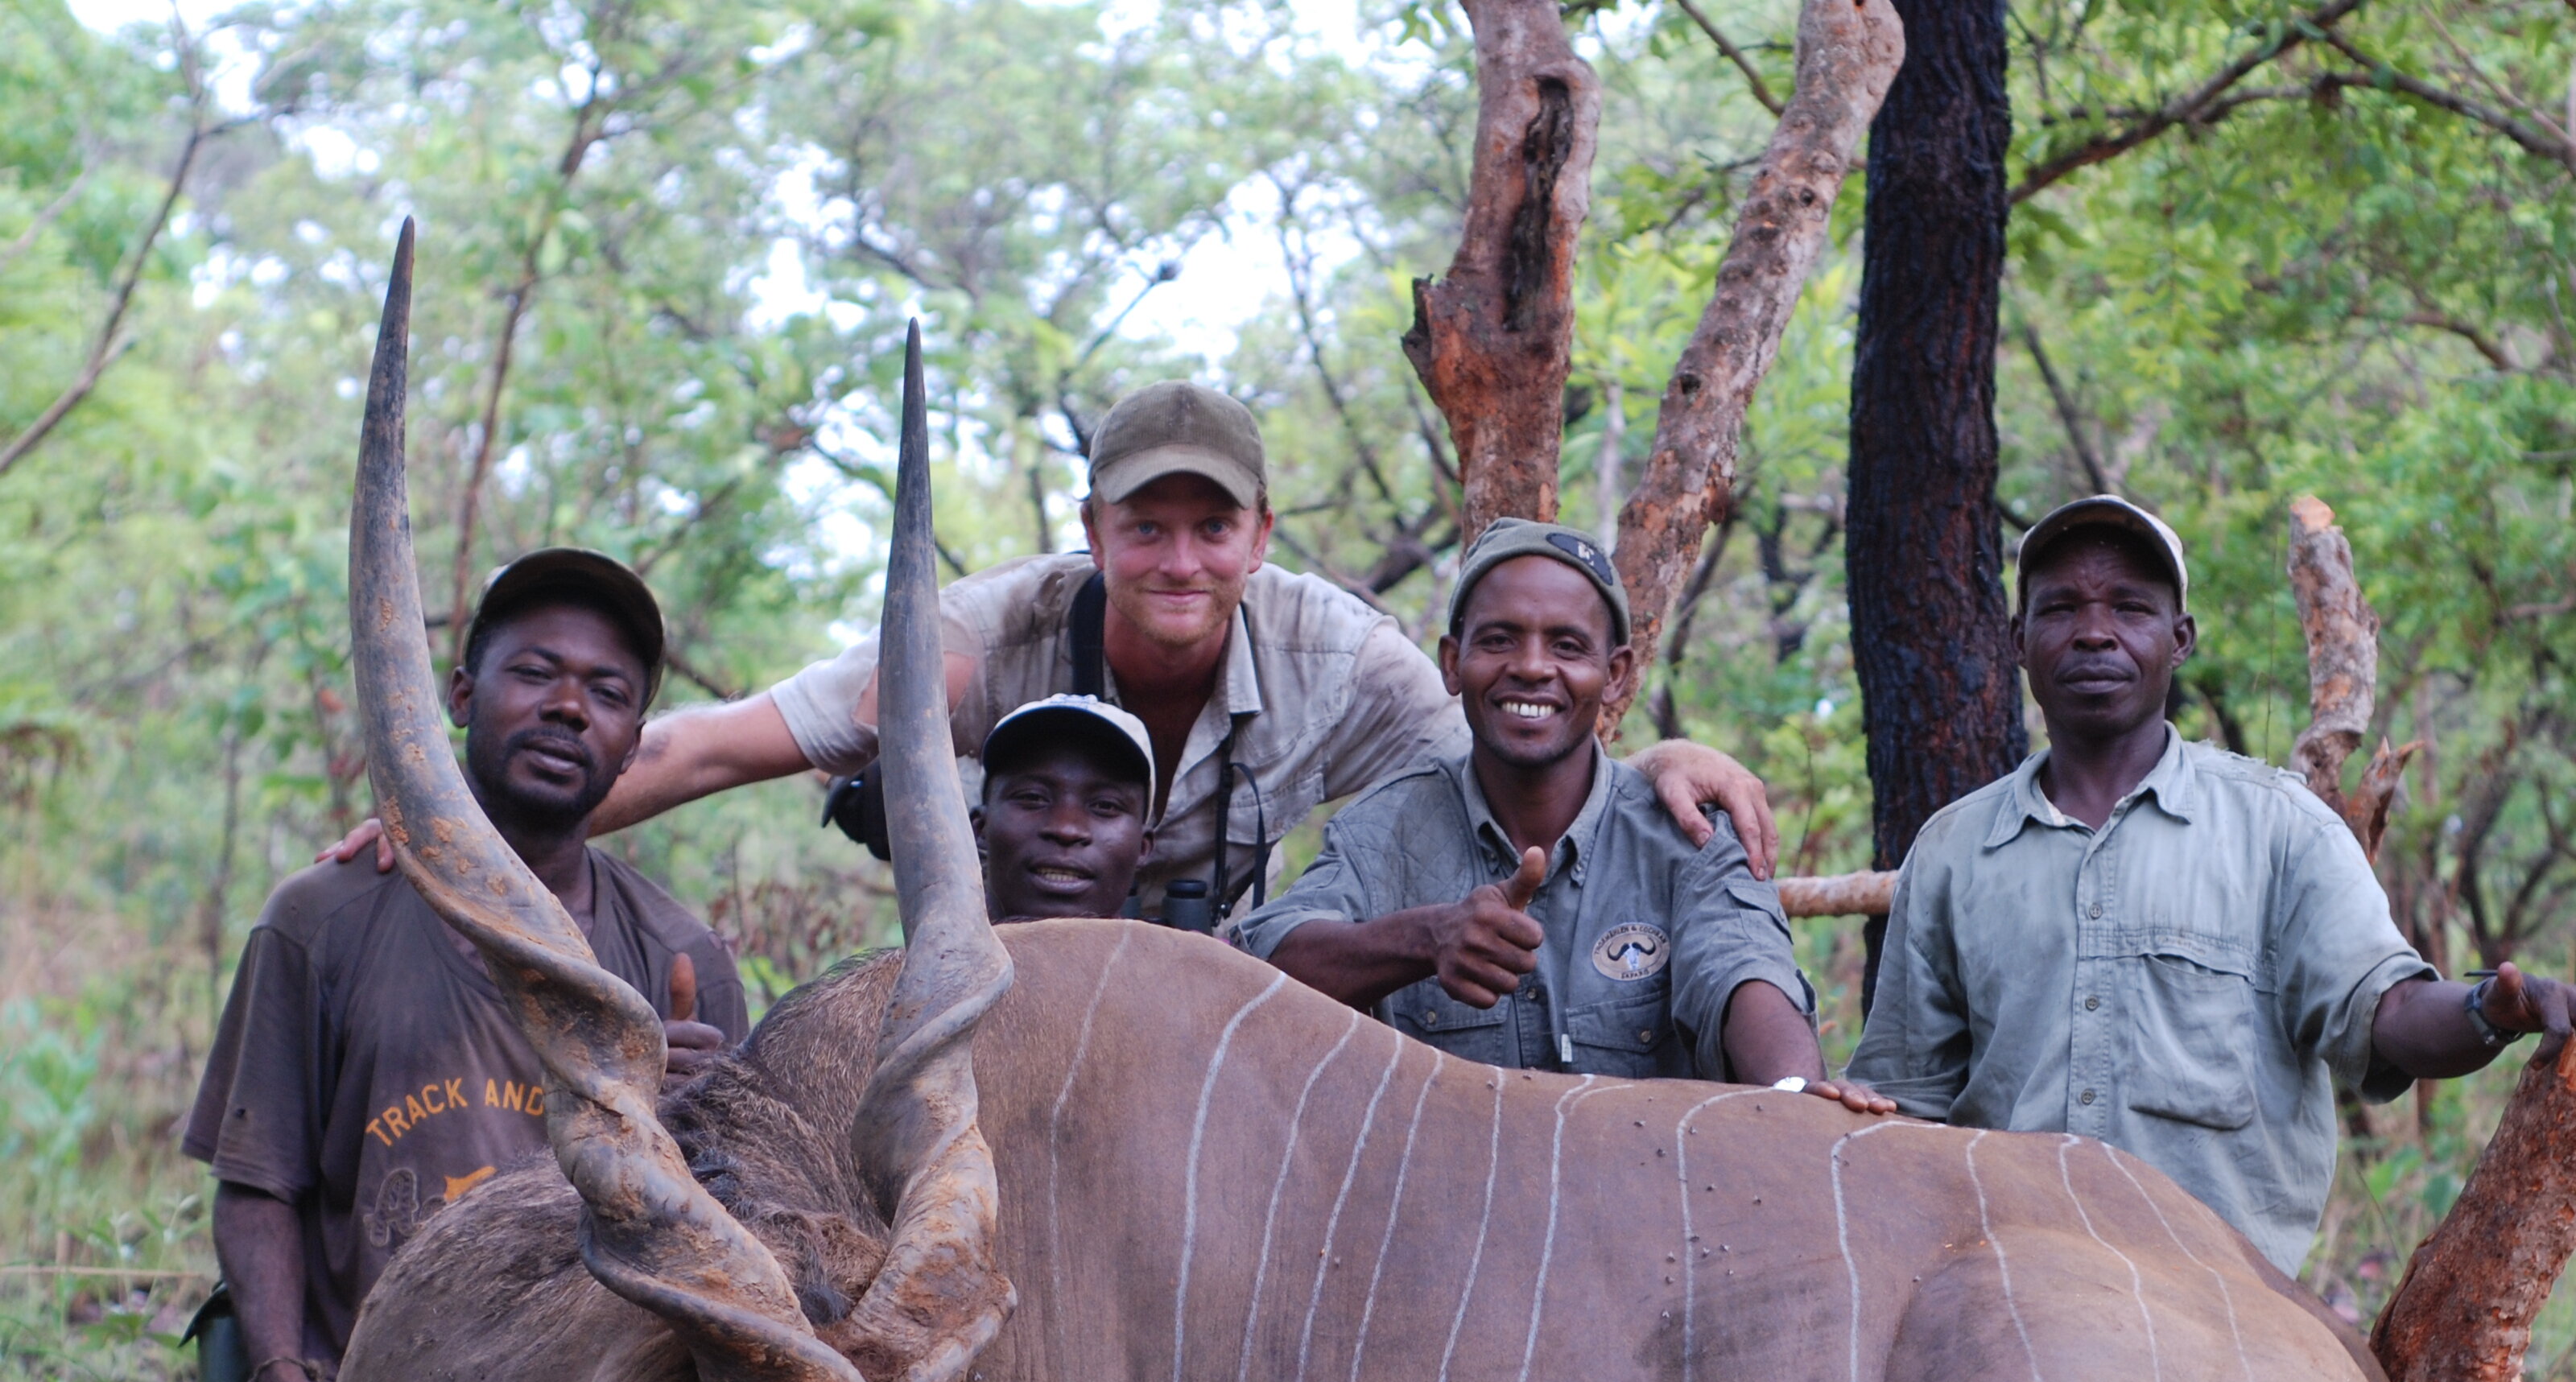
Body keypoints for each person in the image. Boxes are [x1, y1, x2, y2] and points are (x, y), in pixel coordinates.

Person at [327, 382, 1784, 915]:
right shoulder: (977, 641)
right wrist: (445, 827)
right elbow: (705, 745)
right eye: (1145, 527)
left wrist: (1656, 753)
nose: (1178, 561)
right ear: (1091, 531)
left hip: (1215, 997)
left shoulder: (1340, 657)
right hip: (992, 978)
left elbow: (1518, 748)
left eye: (1210, 530)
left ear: (1260, 537)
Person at [183, 549, 746, 1382]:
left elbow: (733, 1250)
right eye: (534, 672)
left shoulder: (677, 954)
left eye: (604, 690)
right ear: (458, 689)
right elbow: (256, 1187)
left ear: (634, 734)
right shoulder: (322, 919)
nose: (566, 706)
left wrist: (701, 1122)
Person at [1847, 496, 2576, 1275]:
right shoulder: (1953, 851)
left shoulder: (2280, 829)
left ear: (2180, 638)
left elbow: (2389, 1012)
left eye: (2129, 607)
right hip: (2012, 1292)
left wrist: (2493, 1007)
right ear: (2018, 640)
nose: (2093, 632)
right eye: (2060, 610)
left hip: (2223, 1313)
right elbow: (1900, 1107)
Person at [1236, 518, 1885, 1112]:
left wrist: (1798, 1096)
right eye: (1499, 639)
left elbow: (1744, 972)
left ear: (1617, 676)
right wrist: (1425, 939)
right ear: (1452, 663)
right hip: (1442, 1222)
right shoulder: (1382, 829)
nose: (1532, 667)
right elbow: (1261, 964)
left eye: (1568, 646)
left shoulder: (1687, 834)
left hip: (1654, 1211)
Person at [976, 696, 1154, 925]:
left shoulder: (1190, 959)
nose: (1066, 829)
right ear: (981, 828)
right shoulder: (922, 957)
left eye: (1105, 805)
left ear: (1142, 847)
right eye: (1033, 798)